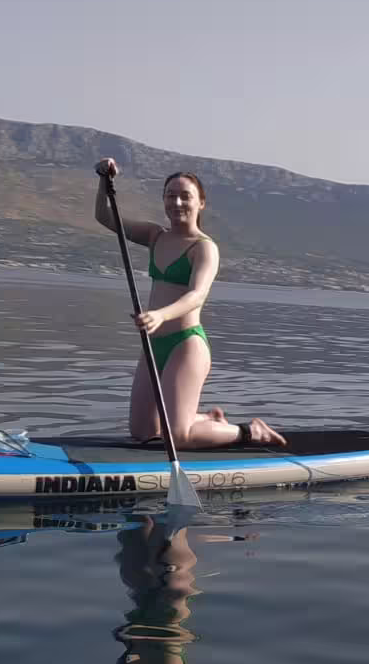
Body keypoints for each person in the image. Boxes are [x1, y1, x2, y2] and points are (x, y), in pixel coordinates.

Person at [94, 158, 285, 448]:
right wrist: (103, 180)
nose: (178, 202)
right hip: (153, 345)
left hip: (186, 345)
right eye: (171, 196)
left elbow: (196, 295)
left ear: (201, 203)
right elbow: (105, 216)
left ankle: (250, 431)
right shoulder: (155, 236)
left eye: (186, 196)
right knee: (142, 432)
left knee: (178, 438)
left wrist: (160, 314)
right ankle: (207, 420)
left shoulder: (205, 247)